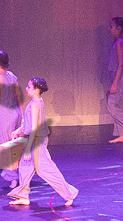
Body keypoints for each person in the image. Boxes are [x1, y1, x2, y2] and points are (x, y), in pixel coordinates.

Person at [8, 77, 79, 208]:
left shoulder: (36, 104)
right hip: (33, 139)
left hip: (37, 142)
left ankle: (69, 194)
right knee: (25, 167)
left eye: (29, 87)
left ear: (36, 90)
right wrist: (19, 130)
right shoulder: (35, 101)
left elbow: (34, 128)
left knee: (46, 170)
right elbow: (31, 123)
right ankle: (23, 196)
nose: (26, 89)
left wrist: (28, 149)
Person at [0, 50, 25, 184]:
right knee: (15, 144)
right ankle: (18, 173)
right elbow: (19, 96)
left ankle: (12, 177)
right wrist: (22, 115)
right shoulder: (12, 76)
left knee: (6, 145)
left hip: (6, 115)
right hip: (16, 113)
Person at [106, 17, 123, 143]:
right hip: (118, 76)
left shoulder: (119, 42)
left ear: (118, 28)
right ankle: (122, 134)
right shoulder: (118, 41)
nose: (109, 29)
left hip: (120, 77)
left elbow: (121, 64)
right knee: (119, 105)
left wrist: (115, 83)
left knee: (111, 104)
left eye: (111, 26)